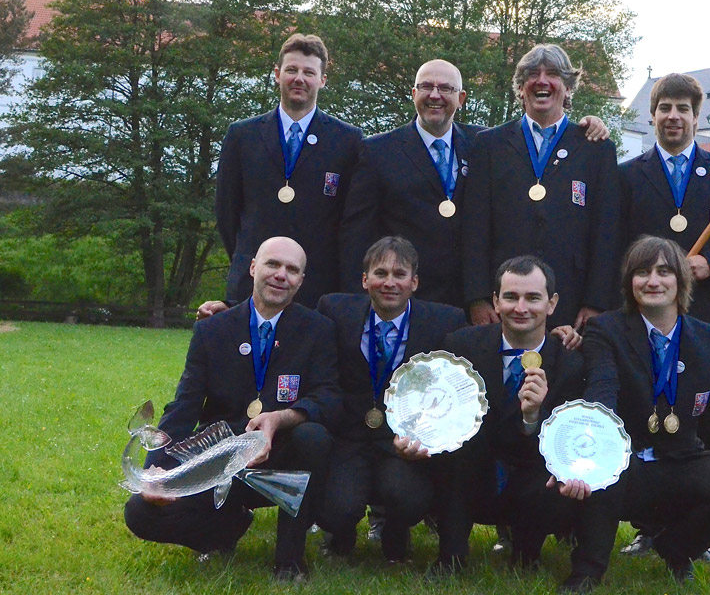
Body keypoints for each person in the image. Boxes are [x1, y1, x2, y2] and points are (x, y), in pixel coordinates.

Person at [561, 236, 710, 592]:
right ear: (630, 283)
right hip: (624, 460)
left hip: (681, 460)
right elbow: (602, 391)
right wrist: (595, 449)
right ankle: (587, 570)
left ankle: (677, 549)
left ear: (681, 281)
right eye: (642, 272)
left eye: (664, 271)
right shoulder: (606, 330)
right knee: (605, 465)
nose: (653, 281)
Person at [124, 237, 342, 581]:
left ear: (301, 280)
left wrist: (280, 419)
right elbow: (185, 405)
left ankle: (289, 559)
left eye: (292, 269)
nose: (281, 275)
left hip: (283, 455)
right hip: (221, 460)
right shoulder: (212, 330)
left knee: (314, 437)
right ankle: (223, 530)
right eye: (273, 264)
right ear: (253, 268)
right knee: (140, 513)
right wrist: (157, 471)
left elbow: (328, 396)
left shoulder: (319, 330)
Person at [338, 58, 611, 309]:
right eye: (426, 87)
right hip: (407, 294)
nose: (435, 95)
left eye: (445, 88)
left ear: (461, 98)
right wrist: (356, 302)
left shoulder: (484, 143)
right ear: (413, 94)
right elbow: (357, 234)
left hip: (468, 299)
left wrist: (590, 125)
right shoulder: (377, 151)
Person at [428, 255, 590, 577]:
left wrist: (532, 417)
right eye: (511, 297)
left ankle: (527, 553)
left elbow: (564, 444)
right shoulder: (461, 347)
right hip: (474, 474)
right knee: (457, 451)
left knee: (552, 472)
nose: (521, 308)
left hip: (531, 477)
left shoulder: (571, 364)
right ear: (495, 302)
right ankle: (451, 556)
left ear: (552, 303)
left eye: (533, 298)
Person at [315, 236, 467, 562]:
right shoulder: (334, 310)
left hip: (403, 441)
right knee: (335, 507)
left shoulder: (445, 322)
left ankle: (396, 532)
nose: (389, 282)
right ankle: (340, 533)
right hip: (350, 438)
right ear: (364, 279)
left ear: (415, 282)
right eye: (380, 273)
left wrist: (422, 435)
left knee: (407, 497)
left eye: (400, 274)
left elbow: (454, 390)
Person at [462, 44, 620, 329]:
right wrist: (478, 298)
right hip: (504, 303)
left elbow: (606, 234)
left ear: (568, 88)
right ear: (521, 89)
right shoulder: (489, 145)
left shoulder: (596, 148)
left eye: (554, 74)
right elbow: (474, 228)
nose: (542, 81)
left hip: (570, 303)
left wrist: (595, 303)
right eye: (533, 74)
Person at [216, 33, 362, 309]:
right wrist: (251, 259)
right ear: (277, 74)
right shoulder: (242, 135)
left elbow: (351, 221)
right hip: (252, 284)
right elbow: (226, 213)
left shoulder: (348, 141)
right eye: (291, 70)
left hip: (318, 287)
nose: (299, 79)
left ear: (322, 80)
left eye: (309, 72)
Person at [619, 73, 710, 346]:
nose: (673, 116)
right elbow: (613, 245)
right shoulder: (626, 177)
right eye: (665, 108)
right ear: (653, 116)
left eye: (683, 109)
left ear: (696, 117)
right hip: (643, 317)